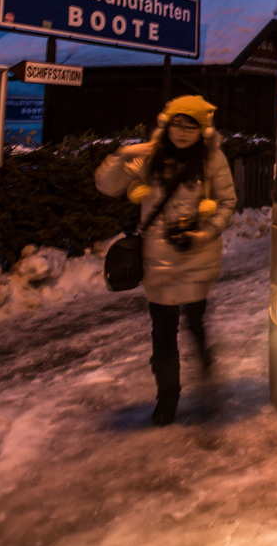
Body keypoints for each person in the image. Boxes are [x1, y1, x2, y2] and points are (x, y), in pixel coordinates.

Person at [95, 95, 237, 426]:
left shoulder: (211, 159)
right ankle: (167, 398)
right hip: (158, 259)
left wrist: (205, 233)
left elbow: (227, 202)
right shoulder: (151, 157)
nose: (183, 131)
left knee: (195, 322)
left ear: (202, 129)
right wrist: (122, 154)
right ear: (166, 124)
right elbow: (107, 186)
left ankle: (206, 375)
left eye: (191, 125)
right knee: (162, 330)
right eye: (178, 123)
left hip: (196, 256)